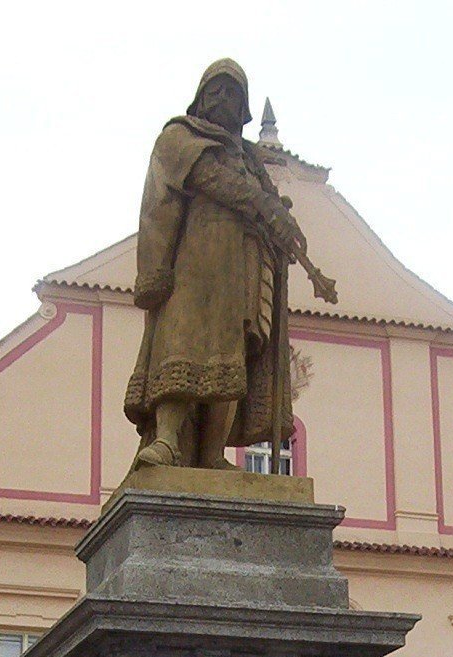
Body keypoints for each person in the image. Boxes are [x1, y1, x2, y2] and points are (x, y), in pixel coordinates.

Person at [124, 59, 313, 471]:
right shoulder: (181, 136)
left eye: (233, 92)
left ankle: (212, 455)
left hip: (245, 265)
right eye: (217, 89)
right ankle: (169, 440)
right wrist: (263, 205)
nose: (224, 98)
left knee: (238, 354)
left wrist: (279, 225)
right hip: (196, 259)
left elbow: (265, 203)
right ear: (201, 96)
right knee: (182, 343)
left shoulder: (249, 157)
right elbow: (209, 179)